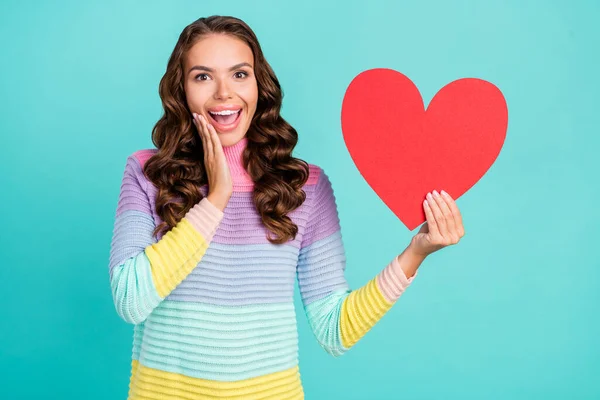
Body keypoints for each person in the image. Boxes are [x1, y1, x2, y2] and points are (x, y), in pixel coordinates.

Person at [108, 15, 465, 400]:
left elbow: (335, 330)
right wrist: (215, 200)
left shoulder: (305, 187)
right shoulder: (147, 173)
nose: (224, 93)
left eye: (240, 74)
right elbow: (131, 301)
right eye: (203, 76)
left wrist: (417, 252)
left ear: (260, 85)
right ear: (181, 89)